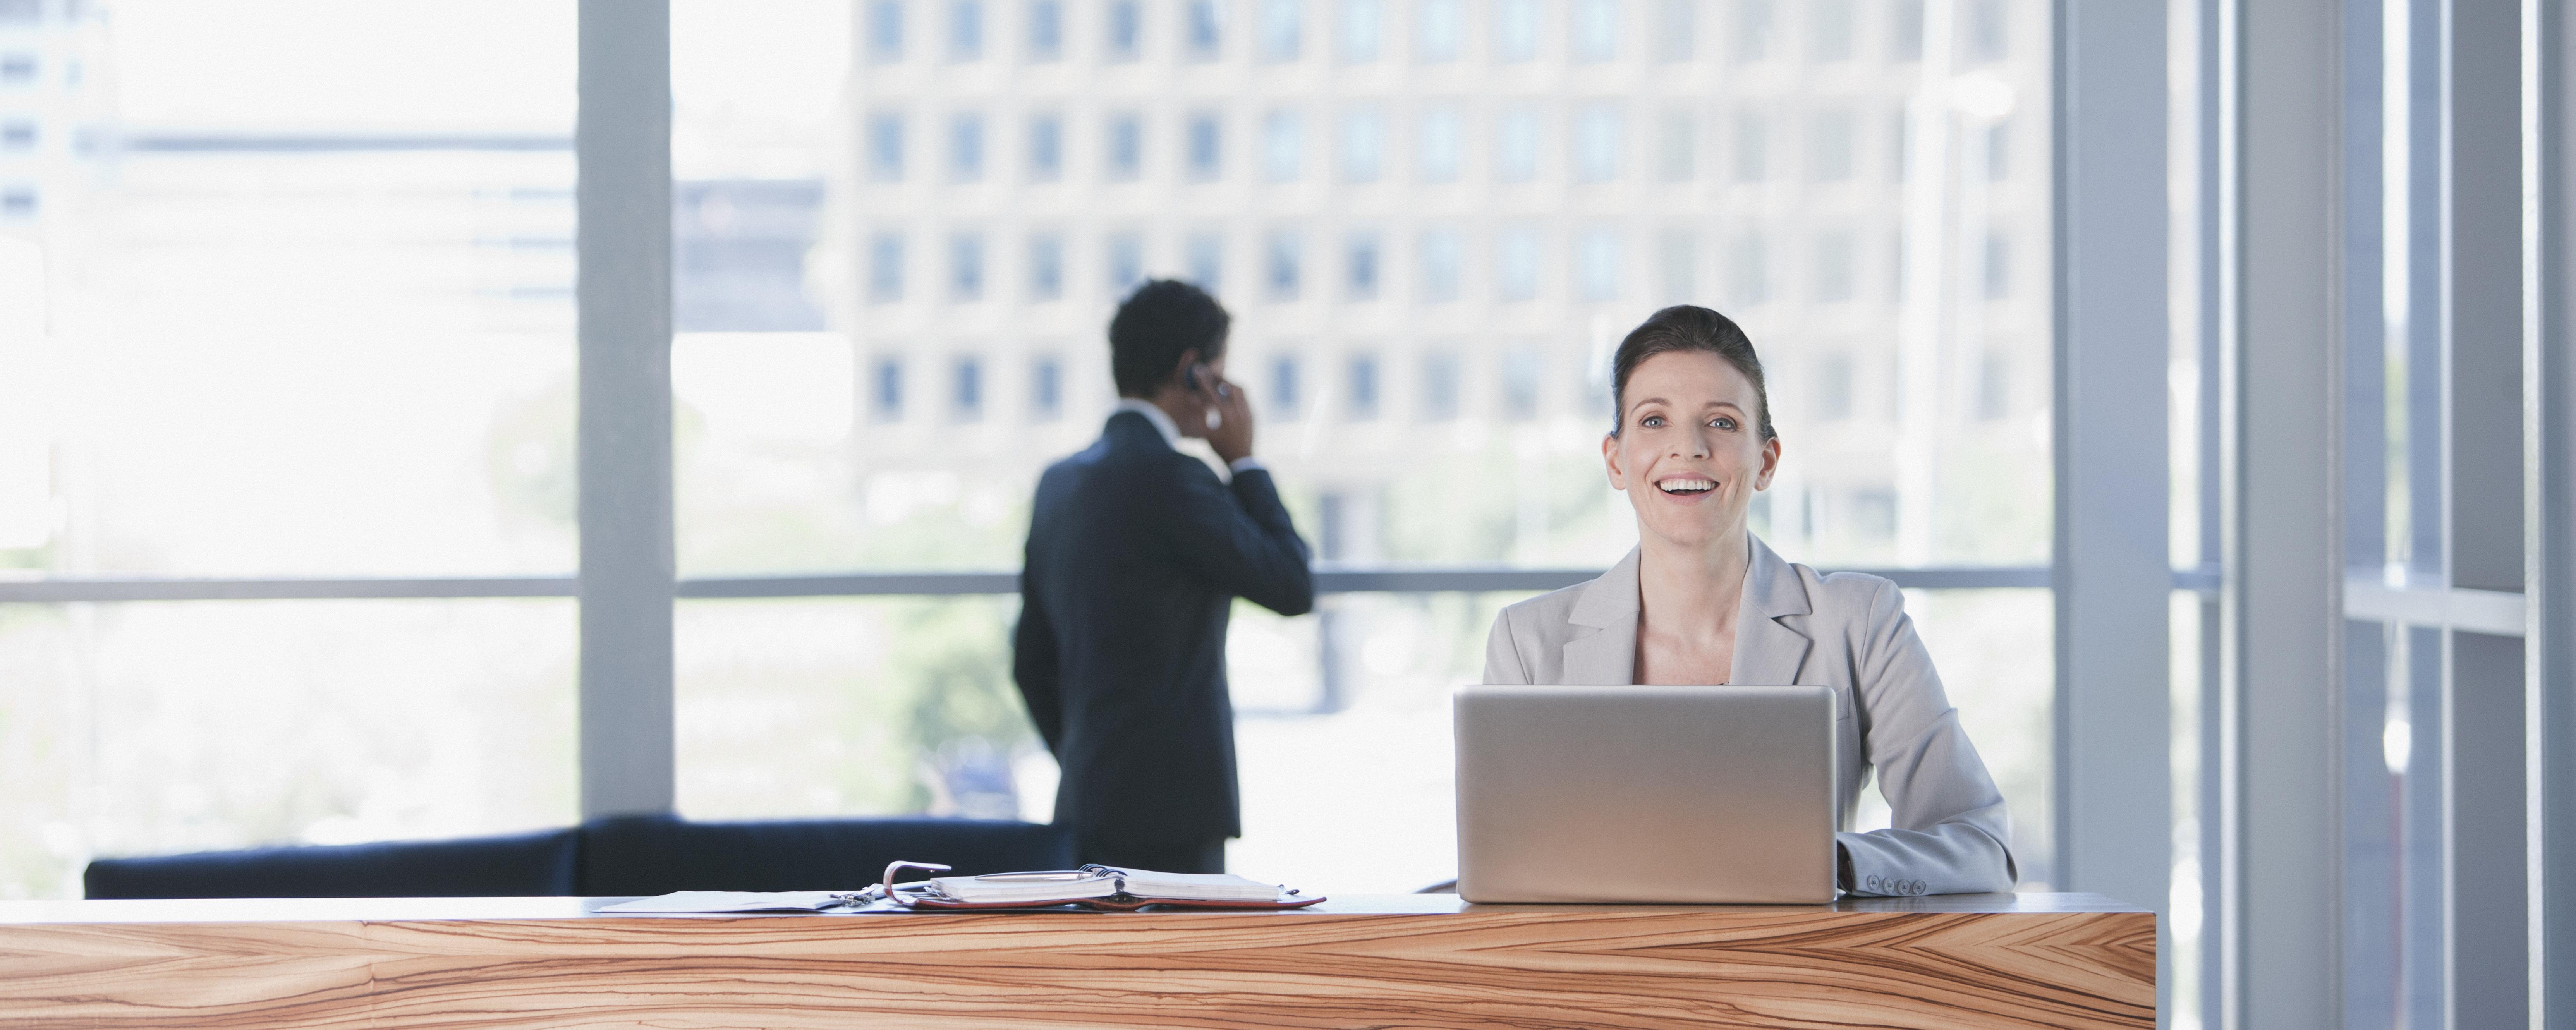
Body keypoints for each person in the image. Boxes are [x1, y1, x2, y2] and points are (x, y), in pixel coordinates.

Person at [1481, 304, 2016, 896]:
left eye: (1723, 423)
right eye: (1655, 421)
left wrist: (1827, 861)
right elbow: (1504, 866)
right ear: (1616, 459)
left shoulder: (1859, 622)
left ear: (1766, 462)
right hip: (1600, 979)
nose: (1688, 448)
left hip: (1788, 976)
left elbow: (1979, 845)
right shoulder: (1527, 644)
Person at [1013, 279, 1315, 875]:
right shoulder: (1176, 481)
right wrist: (1243, 461)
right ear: (1191, 371)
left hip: (1087, 802)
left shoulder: (1058, 484)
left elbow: (1029, 663)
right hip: (1174, 814)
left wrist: (1085, 760)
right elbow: (1291, 584)